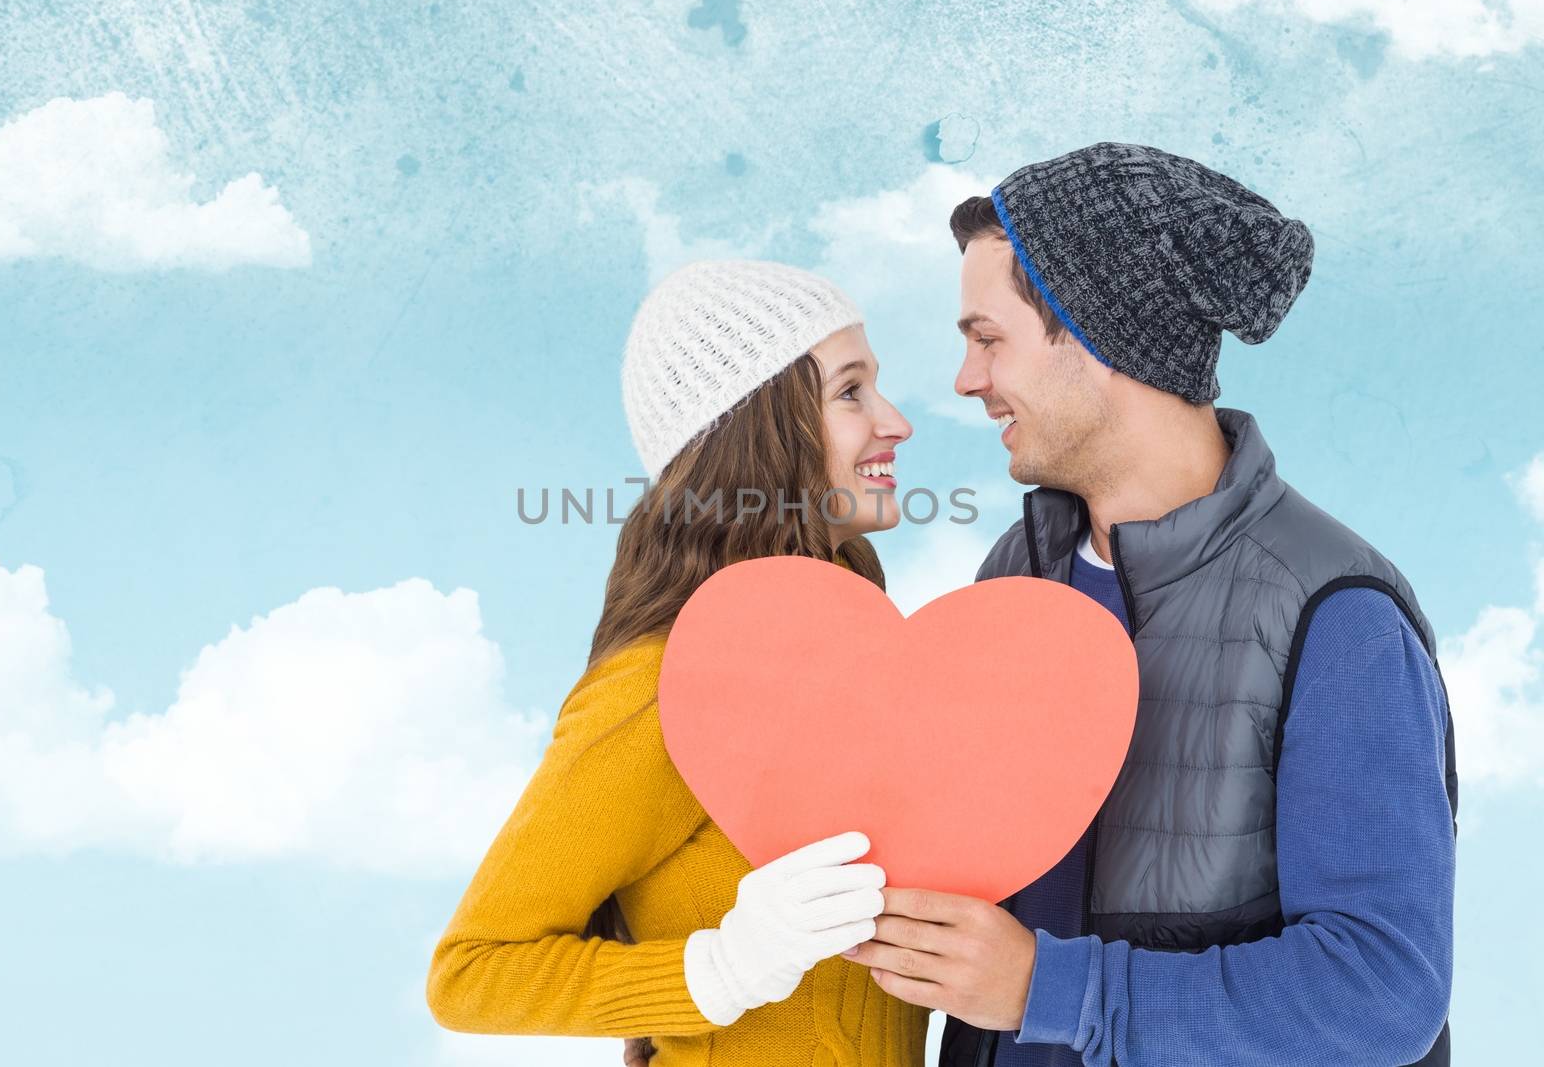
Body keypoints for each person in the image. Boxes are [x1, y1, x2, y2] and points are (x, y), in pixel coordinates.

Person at [841, 142, 1457, 1067]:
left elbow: (1380, 988)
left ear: (1097, 334)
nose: (966, 380)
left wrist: (1051, 990)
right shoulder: (1015, 574)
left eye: (988, 337)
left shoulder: (1336, 614)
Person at [426, 259, 929, 1065]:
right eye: (850, 391)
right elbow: (471, 974)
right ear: (760, 433)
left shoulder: (859, 655)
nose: (895, 421)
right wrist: (723, 968)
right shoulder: (664, 684)